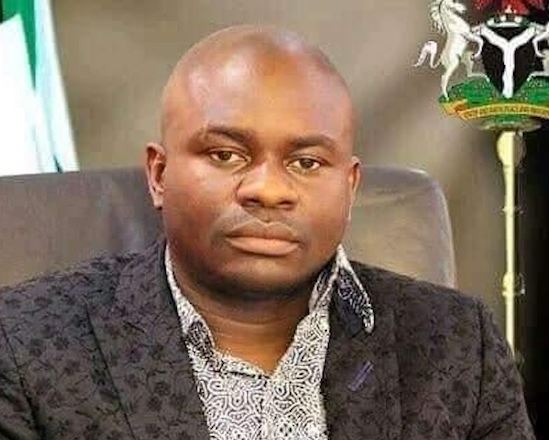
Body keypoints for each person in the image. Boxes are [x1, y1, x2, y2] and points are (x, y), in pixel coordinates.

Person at [0, 26, 534, 440]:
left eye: (306, 162)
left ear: (350, 187)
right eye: (226, 154)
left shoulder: (457, 344)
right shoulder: (25, 343)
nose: (269, 190)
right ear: (159, 175)